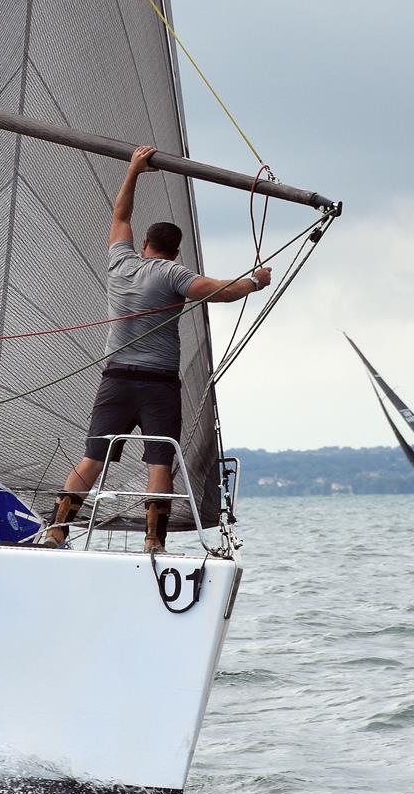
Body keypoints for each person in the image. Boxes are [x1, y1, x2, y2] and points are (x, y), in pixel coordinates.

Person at [43, 145, 271, 552]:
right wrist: (256, 281)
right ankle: (154, 542)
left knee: (92, 457)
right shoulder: (175, 274)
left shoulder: (120, 262)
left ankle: (57, 529)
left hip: (115, 379)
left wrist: (133, 169)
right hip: (158, 385)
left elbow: (120, 216)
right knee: (160, 461)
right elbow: (224, 292)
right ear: (176, 250)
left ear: (144, 242)